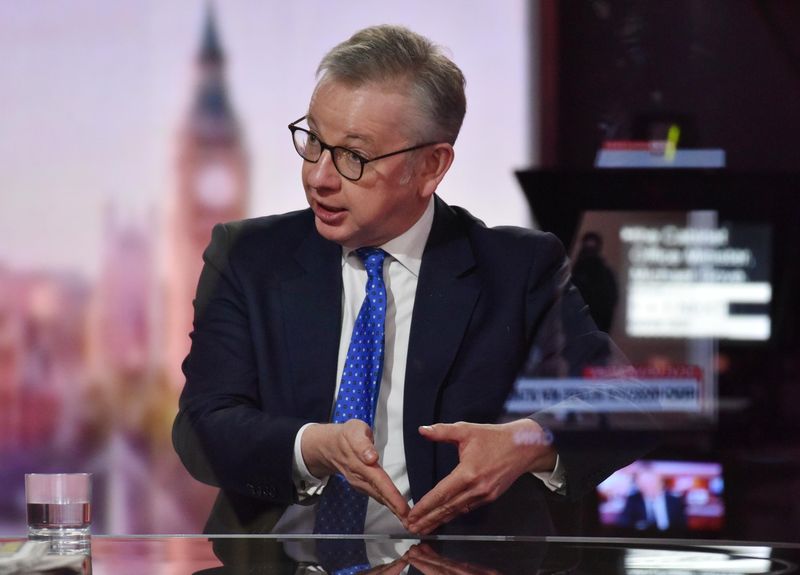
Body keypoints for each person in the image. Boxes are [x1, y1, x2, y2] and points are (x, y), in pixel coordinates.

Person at [173, 24, 649, 537]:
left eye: (353, 156)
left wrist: (528, 443)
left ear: (431, 166)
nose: (318, 177)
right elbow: (203, 425)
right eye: (313, 141)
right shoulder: (248, 258)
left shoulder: (516, 270)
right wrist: (310, 447)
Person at [619, 468, 687, 531]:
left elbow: (682, 526)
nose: (648, 487)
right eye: (643, 484)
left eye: (651, 483)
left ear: (661, 483)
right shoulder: (633, 501)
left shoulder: (675, 501)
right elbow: (624, 523)